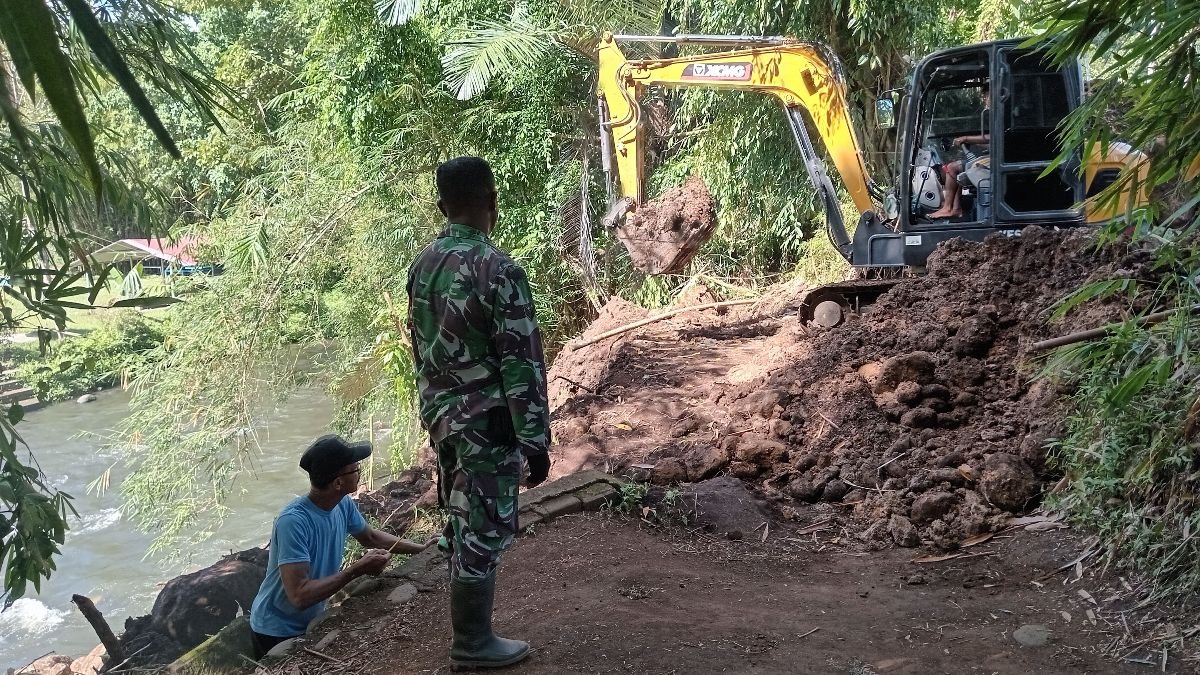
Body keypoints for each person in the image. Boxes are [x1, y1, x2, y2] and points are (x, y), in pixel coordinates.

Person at [406, 156, 551, 670]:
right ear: (493, 201)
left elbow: (420, 347)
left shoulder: (423, 265)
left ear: (441, 206)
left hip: (443, 418)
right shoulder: (499, 269)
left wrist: (434, 409)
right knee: (484, 527)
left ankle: (471, 637)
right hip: (487, 424)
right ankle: (472, 643)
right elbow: (521, 362)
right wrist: (535, 439)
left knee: (462, 517)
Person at [248, 434, 435, 658]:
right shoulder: (293, 522)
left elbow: (370, 537)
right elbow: (299, 596)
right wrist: (357, 569)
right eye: (356, 469)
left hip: (311, 619)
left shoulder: (342, 503)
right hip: (276, 629)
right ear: (338, 483)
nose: (359, 473)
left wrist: (420, 548)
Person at [928, 84, 991, 220]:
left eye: (987, 96)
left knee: (953, 168)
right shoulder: (994, 114)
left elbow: (993, 138)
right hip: (994, 156)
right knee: (952, 167)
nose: (985, 99)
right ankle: (954, 208)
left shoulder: (1002, 113)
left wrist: (967, 138)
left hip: (998, 160)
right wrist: (969, 142)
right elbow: (992, 142)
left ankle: (949, 208)